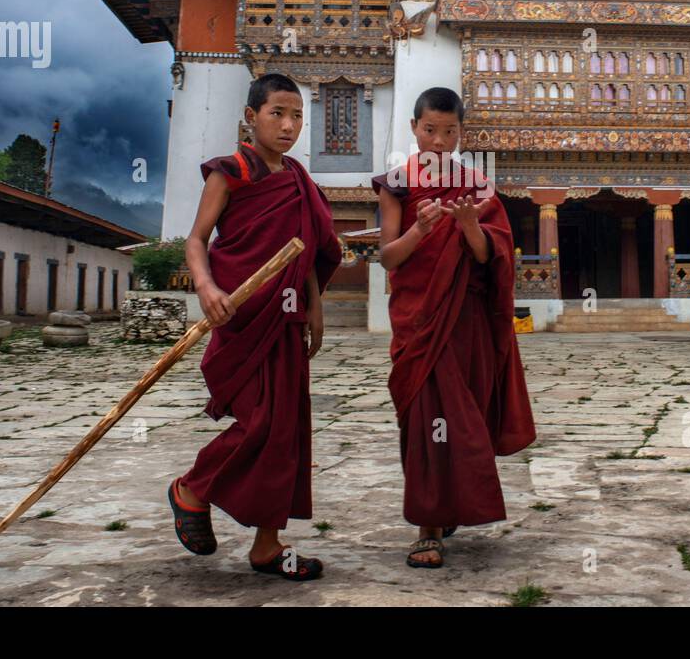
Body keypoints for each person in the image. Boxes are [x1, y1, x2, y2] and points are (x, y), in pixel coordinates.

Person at [168, 73, 342, 580]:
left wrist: (315, 305)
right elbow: (197, 240)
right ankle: (192, 489)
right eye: (277, 114)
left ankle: (268, 545)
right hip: (241, 315)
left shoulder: (298, 180)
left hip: (286, 320)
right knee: (259, 423)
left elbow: (307, 250)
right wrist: (205, 287)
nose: (288, 126)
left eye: (297, 117)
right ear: (251, 117)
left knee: (287, 432)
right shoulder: (231, 172)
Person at [372, 86, 536, 568]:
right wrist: (420, 230)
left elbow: (493, 258)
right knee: (426, 418)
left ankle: (448, 507)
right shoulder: (395, 185)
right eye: (430, 131)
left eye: (450, 132)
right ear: (414, 129)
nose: (439, 141)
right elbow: (387, 258)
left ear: (462, 133)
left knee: (461, 418)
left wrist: (468, 228)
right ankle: (427, 526)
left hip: (464, 322)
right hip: (419, 320)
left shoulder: (477, 188)